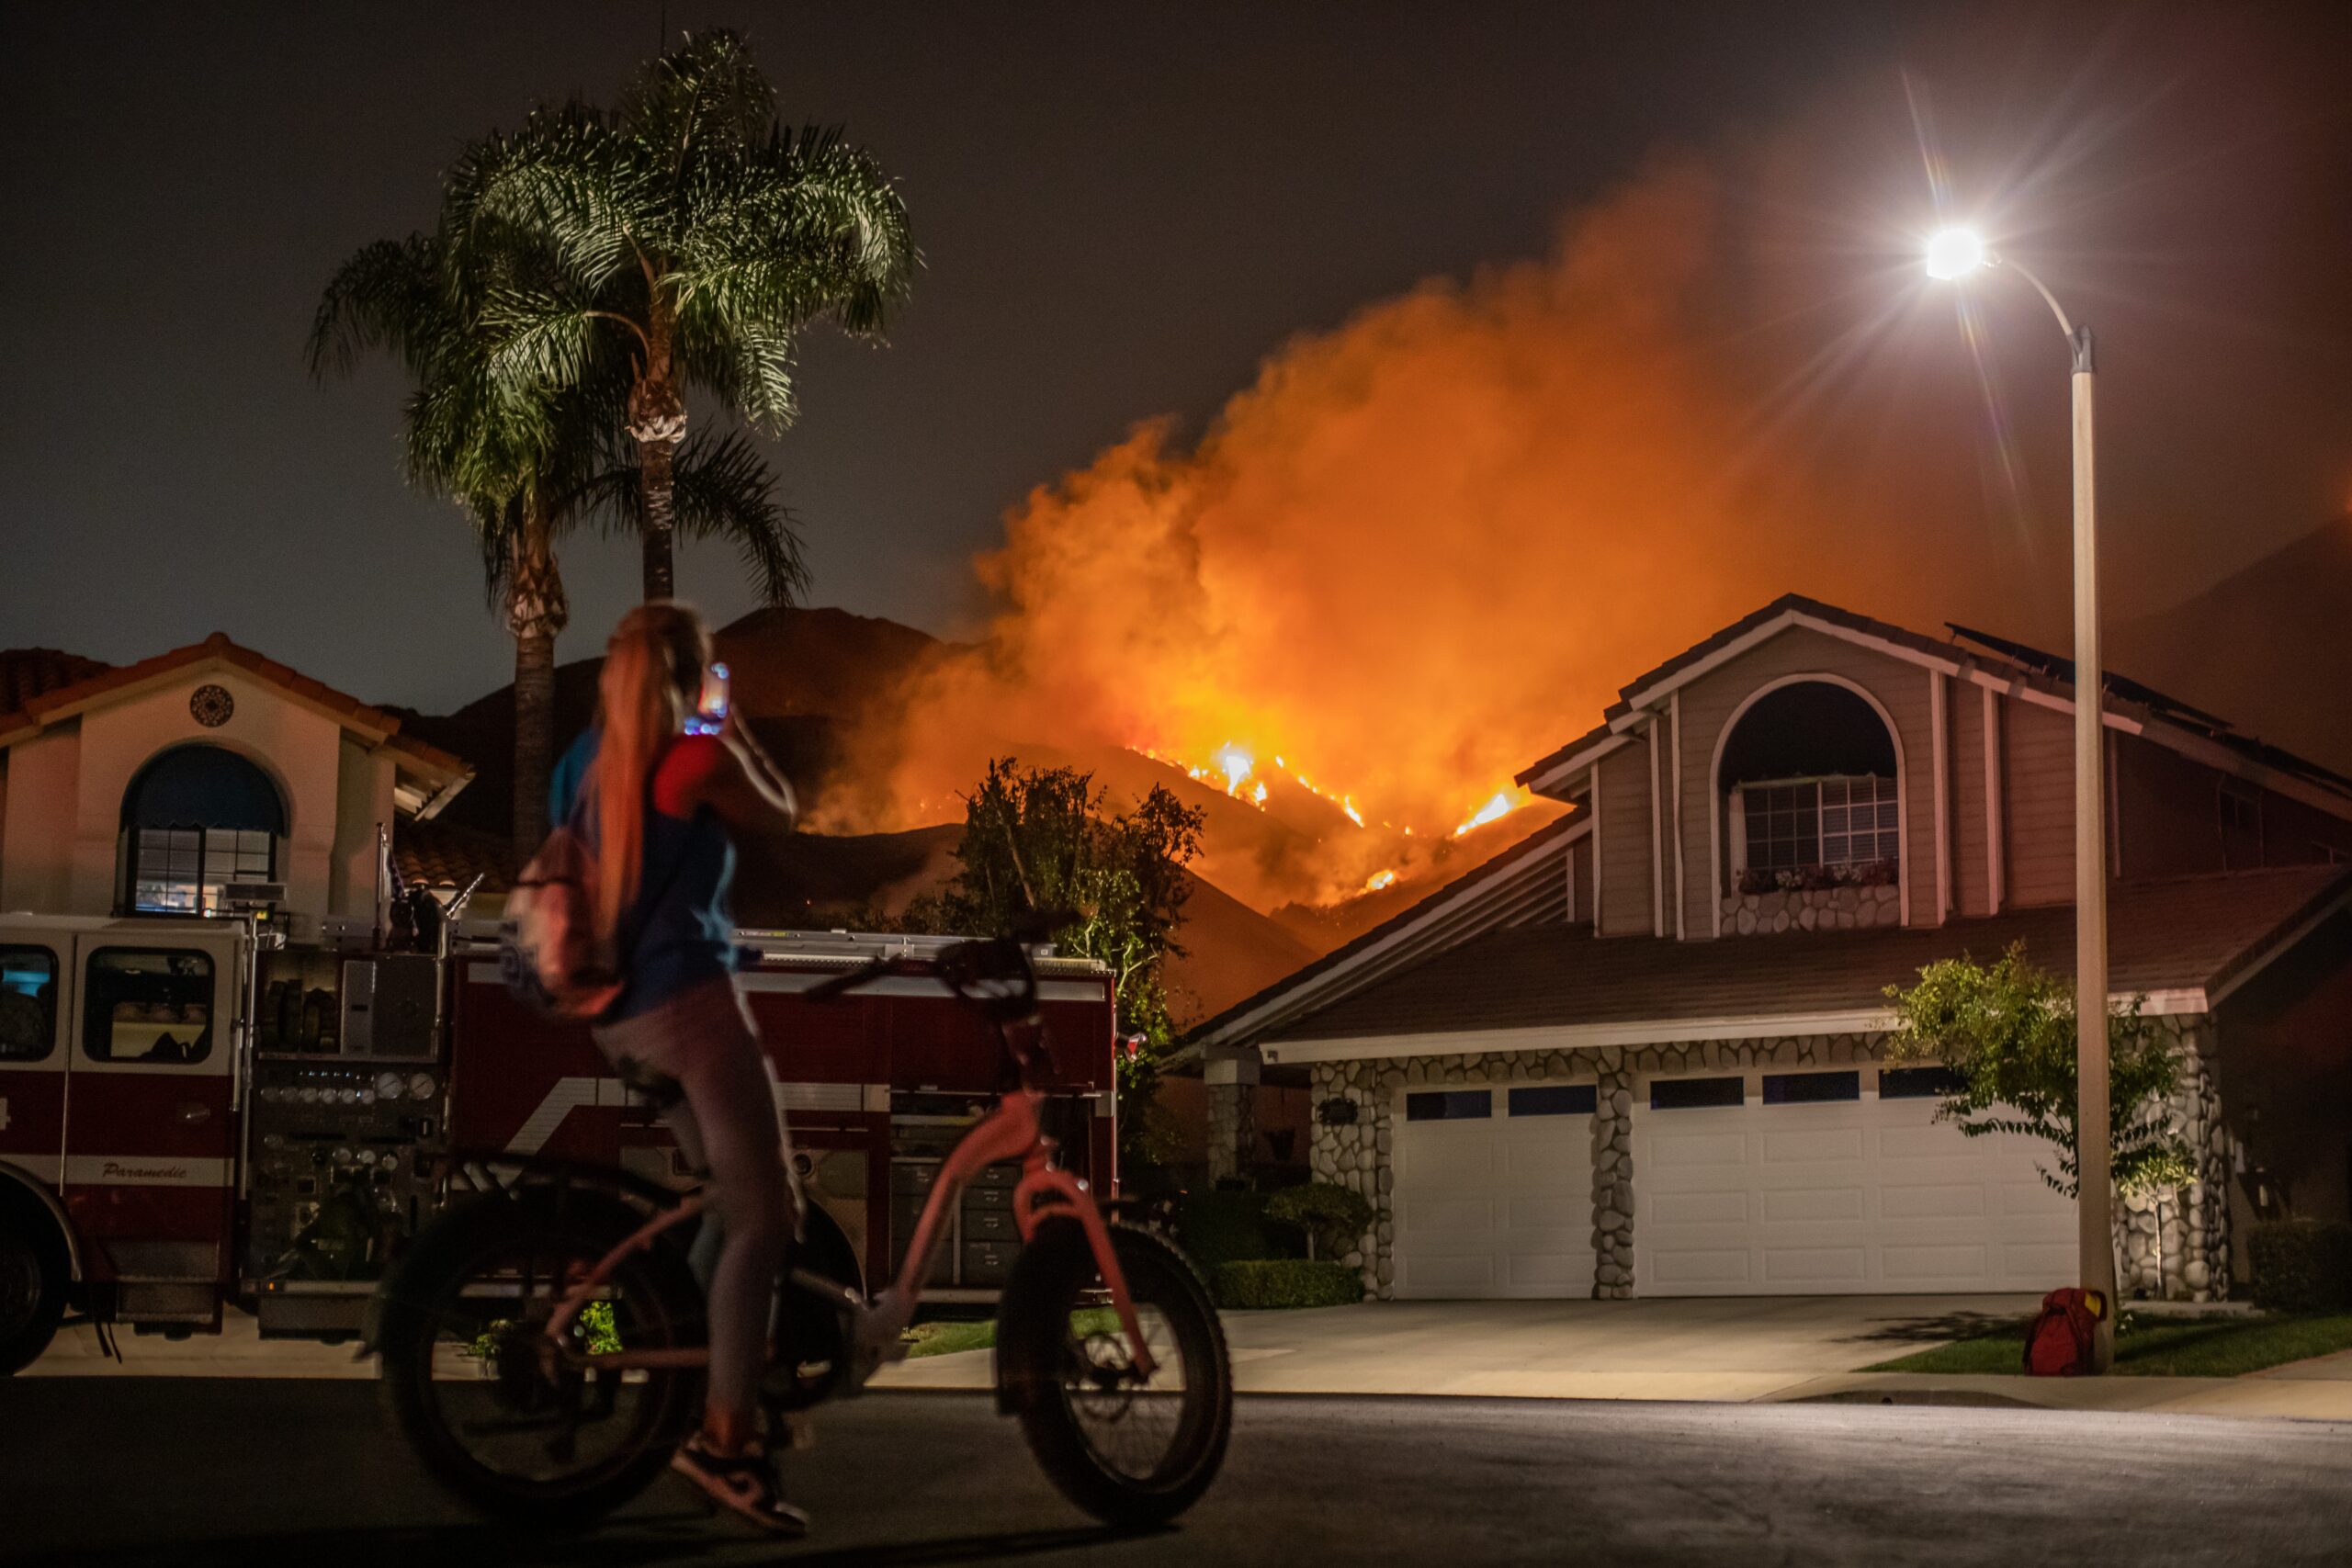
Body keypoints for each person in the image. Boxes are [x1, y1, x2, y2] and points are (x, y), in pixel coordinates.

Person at [549, 602, 806, 1535]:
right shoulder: (693, 756)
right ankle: (727, 1442)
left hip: (615, 1018)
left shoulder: (578, 763)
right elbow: (781, 812)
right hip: (693, 1007)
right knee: (766, 1217)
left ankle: (693, 1373)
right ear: (686, 673)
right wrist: (725, 724)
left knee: (720, 1200)